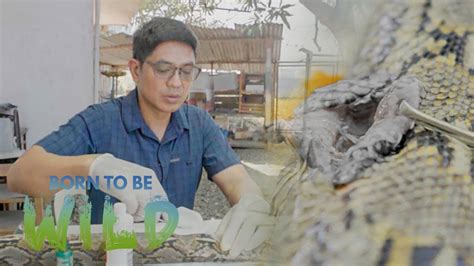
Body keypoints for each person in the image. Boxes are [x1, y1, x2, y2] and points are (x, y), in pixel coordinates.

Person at [7, 17, 272, 256]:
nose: (176, 83)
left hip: (173, 256)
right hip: (112, 255)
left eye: (186, 71)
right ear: (135, 70)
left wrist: (251, 202)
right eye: (163, 69)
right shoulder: (100, 122)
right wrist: (94, 167)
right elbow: (20, 174)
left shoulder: (199, 124)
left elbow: (236, 179)